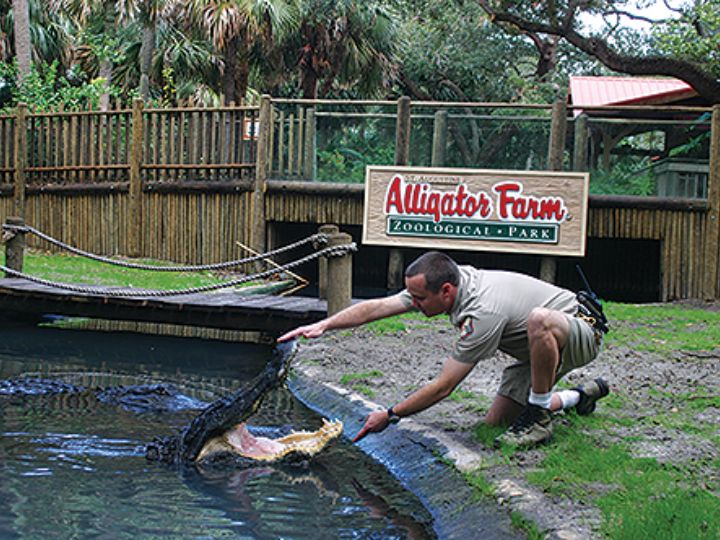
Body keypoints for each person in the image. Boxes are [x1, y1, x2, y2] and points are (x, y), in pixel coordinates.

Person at [277, 251, 609, 448]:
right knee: (496, 423)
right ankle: (580, 396)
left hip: (579, 332)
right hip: (536, 348)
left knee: (539, 320)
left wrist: (391, 415)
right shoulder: (442, 283)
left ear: (446, 291)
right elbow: (378, 306)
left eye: (420, 299)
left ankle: (538, 418)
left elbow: (444, 386)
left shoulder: (481, 311)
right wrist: (324, 325)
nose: (414, 304)